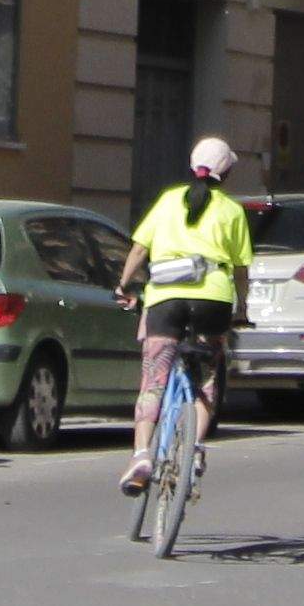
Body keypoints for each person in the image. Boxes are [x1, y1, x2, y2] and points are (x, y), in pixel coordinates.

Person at [116, 136, 256, 494]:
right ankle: (194, 449)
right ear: (227, 173)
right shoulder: (232, 211)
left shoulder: (166, 202)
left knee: (153, 381)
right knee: (207, 380)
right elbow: (241, 270)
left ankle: (142, 455)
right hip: (213, 302)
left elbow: (139, 250)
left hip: (165, 299)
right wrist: (241, 307)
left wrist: (123, 285)